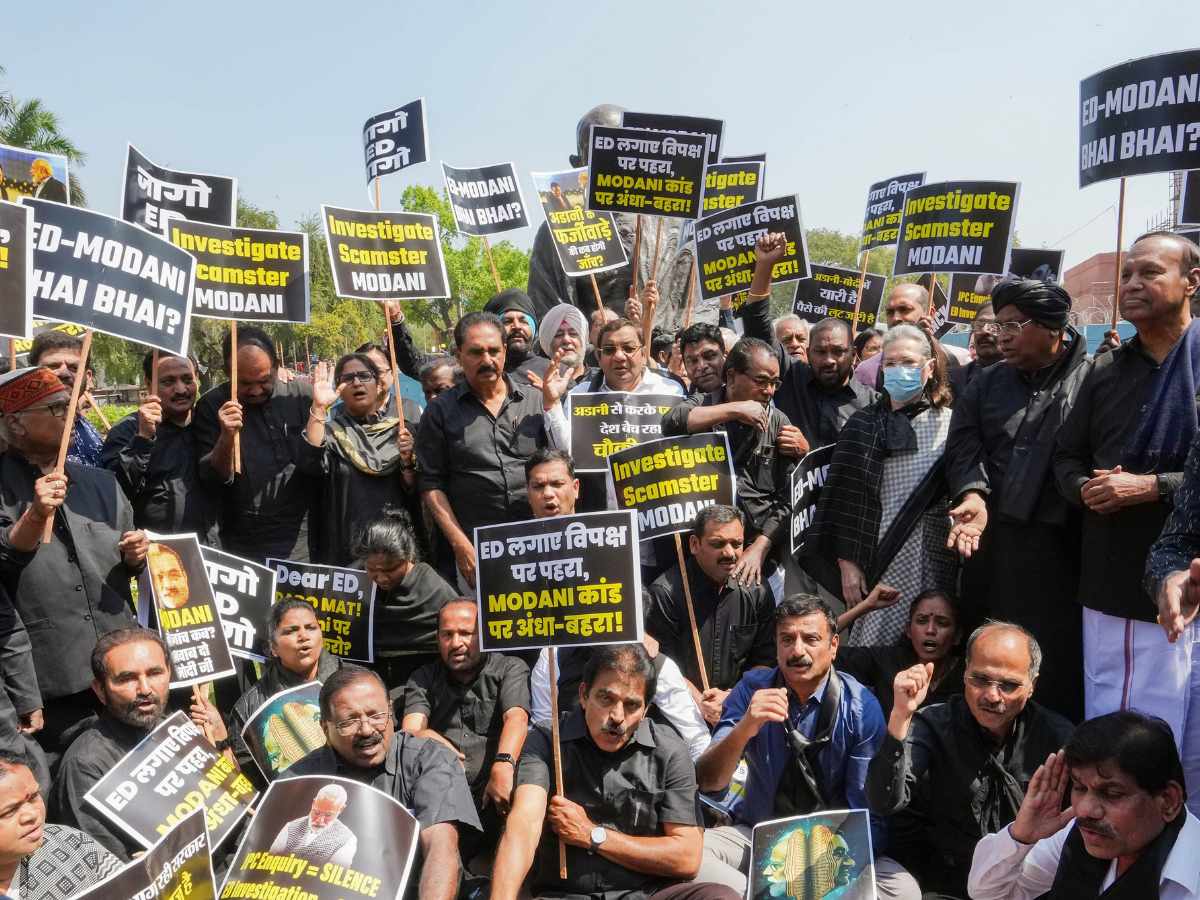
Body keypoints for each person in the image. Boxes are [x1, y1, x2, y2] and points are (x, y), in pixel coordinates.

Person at [1053, 232, 1200, 760]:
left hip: (1190, 592)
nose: (1133, 284)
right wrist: (1087, 489)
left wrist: (1151, 487)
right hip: (1110, 588)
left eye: (1150, 273)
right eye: (1127, 274)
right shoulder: (1103, 371)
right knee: (1112, 733)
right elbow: (1065, 459)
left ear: (1192, 282)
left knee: (1183, 741)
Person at [695, 596, 918, 899]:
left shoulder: (862, 706)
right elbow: (709, 782)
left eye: (811, 639)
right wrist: (746, 727)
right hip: (757, 834)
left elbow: (869, 815)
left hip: (836, 846)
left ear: (834, 645)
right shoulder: (752, 689)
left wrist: (819, 869)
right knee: (695, 857)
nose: (797, 650)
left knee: (904, 891)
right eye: (787, 639)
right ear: (776, 645)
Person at [491, 643, 741, 900]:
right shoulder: (546, 740)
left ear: (646, 709)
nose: (617, 716)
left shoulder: (669, 750)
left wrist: (593, 835)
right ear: (583, 695)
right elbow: (523, 826)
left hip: (646, 894)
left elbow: (687, 857)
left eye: (632, 705)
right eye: (606, 698)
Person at [947, 278, 1091, 720]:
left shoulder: (1096, 376)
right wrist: (973, 493)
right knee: (990, 663)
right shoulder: (986, 383)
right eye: (1000, 324)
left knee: (1054, 672)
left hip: (1065, 552)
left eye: (1015, 325)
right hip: (992, 548)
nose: (1002, 334)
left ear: (1053, 329)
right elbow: (964, 447)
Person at [522, 449, 711, 760]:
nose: (549, 495)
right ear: (527, 491)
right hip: (547, 657)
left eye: (556, 484)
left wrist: (633, 628)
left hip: (612, 646)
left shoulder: (606, 538)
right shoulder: (505, 548)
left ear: (575, 488)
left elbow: (631, 599)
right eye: (538, 486)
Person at [865, 622, 1073, 898]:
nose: (992, 696)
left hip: (1023, 883)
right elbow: (883, 801)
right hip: (942, 881)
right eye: (981, 680)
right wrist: (900, 716)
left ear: (1031, 686)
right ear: (964, 674)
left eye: (1009, 685)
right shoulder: (934, 724)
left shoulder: (1057, 739)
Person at [0, 368, 146, 760]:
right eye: (55, 407)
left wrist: (136, 557)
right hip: (52, 681)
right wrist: (34, 515)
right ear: (15, 423)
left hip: (122, 664)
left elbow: (124, 564)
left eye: (70, 404)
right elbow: (6, 561)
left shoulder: (102, 483)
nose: (71, 413)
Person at [807, 325, 957, 638]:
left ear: (928, 368)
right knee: (871, 650)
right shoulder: (861, 424)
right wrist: (847, 563)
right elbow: (840, 500)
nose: (899, 371)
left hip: (931, 558)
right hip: (872, 562)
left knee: (926, 643)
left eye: (908, 363)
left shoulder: (950, 425)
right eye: (891, 363)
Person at [287, 666, 480, 900]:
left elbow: (441, 847)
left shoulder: (428, 759)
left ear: (391, 711)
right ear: (325, 728)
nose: (367, 729)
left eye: (376, 715)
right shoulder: (299, 779)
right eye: (349, 722)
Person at [968, 711, 1200, 899]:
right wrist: (1021, 836)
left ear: (1168, 801)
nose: (1086, 809)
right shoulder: (1076, 836)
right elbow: (990, 894)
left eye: (1112, 794)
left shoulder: (1192, 878)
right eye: (1079, 787)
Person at [527, 104, 699, 325]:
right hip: (593, 354)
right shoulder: (557, 229)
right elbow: (549, 311)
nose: (613, 158)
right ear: (577, 163)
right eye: (600, 148)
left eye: (620, 146)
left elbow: (690, 303)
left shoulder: (672, 223)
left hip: (660, 350)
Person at [417, 312, 548, 590]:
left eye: (493, 351)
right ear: (459, 355)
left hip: (539, 544)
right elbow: (431, 486)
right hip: (478, 551)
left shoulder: (536, 402)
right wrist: (461, 546)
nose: (487, 360)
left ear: (504, 352)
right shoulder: (439, 412)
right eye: (476, 352)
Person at [662, 339, 794, 588]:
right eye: (761, 381)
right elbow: (671, 422)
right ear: (732, 377)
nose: (769, 391)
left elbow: (788, 499)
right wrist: (734, 410)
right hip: (704, 563)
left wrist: (760, 548)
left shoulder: (778, 422)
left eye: (774, 383)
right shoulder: (704, 402)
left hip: (759, 564)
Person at [402, 598, 530, 854]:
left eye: (466, 634)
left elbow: (516, 717)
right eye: (447, 635)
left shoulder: (509, 668)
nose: (456, 643)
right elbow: (410, 730)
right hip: (443, 791)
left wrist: (503, 765)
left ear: (484, 635)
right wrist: (427, 735)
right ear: (437, 639)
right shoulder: (423, 677)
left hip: (495, 790)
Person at [193, 324, 320, 563]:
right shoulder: (212, 406)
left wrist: (320, 411)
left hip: (301, 536)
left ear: (276, 366)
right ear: (227, 372)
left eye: (264, 380)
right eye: (244, 383)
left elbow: (318, 463)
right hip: (242, 541)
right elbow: (212, 477)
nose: (255, 390)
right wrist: (226, 437)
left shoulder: (301, 395)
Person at [644, 506, 775, 727]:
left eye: (736, 544)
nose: (729, 553)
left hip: (743, 707)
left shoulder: (756, 590)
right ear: (695, 544)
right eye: (718, 544)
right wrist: (702, 704)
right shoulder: (666, 593)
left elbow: (765, 661)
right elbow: (664, 667)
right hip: (682, 715)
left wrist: (733, 697)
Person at [49, 629, 171, 861]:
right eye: (127, 678)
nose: (145, 689)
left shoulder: (176, 730)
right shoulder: (85, 765)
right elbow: (106, 868)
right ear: (100, 690)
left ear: (169, 674)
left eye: (155, 673)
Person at [303, 355, 416, 566]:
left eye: (364, 376)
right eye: (348, 378)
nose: (356, 383)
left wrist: (408, 462)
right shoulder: (331, 434)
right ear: (338, 388)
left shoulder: (402, 432)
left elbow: (415, 490)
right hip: (347, 548)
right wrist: (319, 407)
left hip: (395, 546)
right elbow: (311, 463)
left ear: (379, 384)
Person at [227, 599, 341, 787]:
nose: (303, 636)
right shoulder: (248, 708)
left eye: (311, 627)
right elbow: (251, 779)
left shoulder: (355, 681)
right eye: (291, 631)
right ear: (273, 648)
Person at [101, 350, 208, 534]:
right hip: (156, 552)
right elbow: (114, 492)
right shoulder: (127, 431)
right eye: (168, 382)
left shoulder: (211, 423)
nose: (181, 389)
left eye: (187, 379)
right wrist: (143, 439)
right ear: (149, 384)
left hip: (213, 549)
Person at [355, 512, 457, 690]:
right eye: (372, 570)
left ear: (408, 557)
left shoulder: (436, 590)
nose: (382, 578)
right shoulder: (354, 583)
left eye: (390, 569)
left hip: (424, 683)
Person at [0, 750, 120, 900]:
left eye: (33, 797)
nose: (31, 815)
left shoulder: (72, 842)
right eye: (10, 811)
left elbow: (134, 888)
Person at [836, 588, 965, 720]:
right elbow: (824, 651)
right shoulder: (887, 660)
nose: (930, 630)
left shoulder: (968, 677)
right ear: (908, 630)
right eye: (922, 621)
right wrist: (865, 606)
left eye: (942, 623)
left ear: (957, 636)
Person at [776, 317, 878, 452]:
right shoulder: (792, 377)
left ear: (853, 355)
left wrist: (808, 453)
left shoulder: (874, 405)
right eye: (820, 352)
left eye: (838, 351)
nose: (829, 360)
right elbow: (758, 327)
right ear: (808, 353)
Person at [854, 284, 969, 389]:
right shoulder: (867, 371)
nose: (895, 318)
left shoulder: (953, 361)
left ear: (930, 313)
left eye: (904, 309)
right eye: (890, 312)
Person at [27, 332, 102, 468]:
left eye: (74, 368)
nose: (64, 373)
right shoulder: (17, 432)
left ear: (88, 376)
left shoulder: (85, 426)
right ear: (31, 372)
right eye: (53, 366)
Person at [268, 783, 357, 867]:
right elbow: (270, 860)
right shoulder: (290, 827)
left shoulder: (347, 839)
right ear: (313, 803)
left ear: (341, 809)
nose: (319, 820)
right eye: (317, 812)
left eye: (328, 815)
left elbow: (335, 877)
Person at [483, 289, 550, 380]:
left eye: (523, 321)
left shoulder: (555, 373)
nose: (517, 326)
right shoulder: (481, 373)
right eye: (507, 321)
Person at [536, 303, 592, 391]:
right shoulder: (537, 382)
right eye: (559, 334)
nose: (566, 339)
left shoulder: (602, 379)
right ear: (547, 343)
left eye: (573, 334)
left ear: (584, 340)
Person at [951, 301, 1003, 393]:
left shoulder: (1024, 380)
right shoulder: (953, 380)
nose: (984, 331)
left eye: (994, 325)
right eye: (980, 325)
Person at [678, 323, 727, 396]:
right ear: (685, 366)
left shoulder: (746, 395)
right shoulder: (679, 397)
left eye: (709, 356)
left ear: (725, 356)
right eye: (693, 361)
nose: (702, 366)